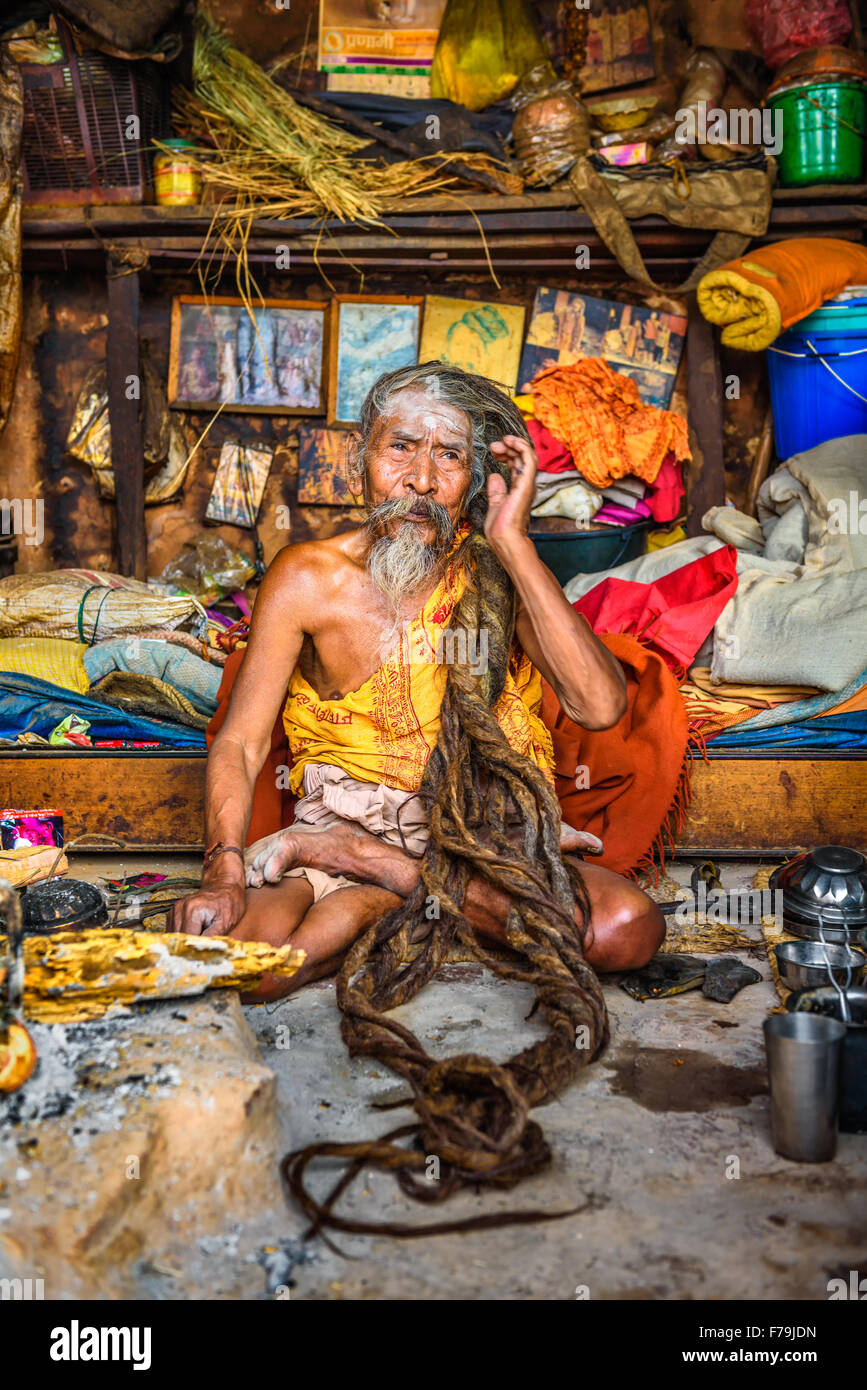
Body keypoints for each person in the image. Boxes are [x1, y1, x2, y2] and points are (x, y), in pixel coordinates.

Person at [172, 362, 665, 995]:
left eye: (451, 457)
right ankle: (411, 889)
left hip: (483, 828)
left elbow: (598, 705)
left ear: (477, 479)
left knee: (624, 927)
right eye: (401, 448)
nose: (422, 481)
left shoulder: (494, 575)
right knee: (253, 965)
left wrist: (513, 541)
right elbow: (240, 742)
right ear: (362, 460)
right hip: (353, 814)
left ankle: (380, 876)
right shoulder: (307, 578)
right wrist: (223, 872)